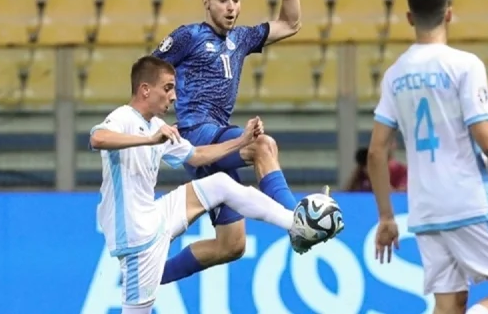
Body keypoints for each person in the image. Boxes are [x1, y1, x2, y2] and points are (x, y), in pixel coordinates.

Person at [152, 0, 333, 285]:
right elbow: (148, 71)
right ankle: (298, 221)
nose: (230, 6)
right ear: (206, 2)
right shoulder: (189, 36)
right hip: (198, 134)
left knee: (231, 245)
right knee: (262, 145)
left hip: (218, 140)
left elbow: (291, 23)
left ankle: (151, 277)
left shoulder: (242, 38)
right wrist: (159, 116)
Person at [90, 56, 321, 314]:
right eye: (167, 88)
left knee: (220, 184)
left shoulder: (157, 126)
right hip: (135, 240)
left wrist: (243, 141)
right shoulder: (124, 117)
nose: (174, 96)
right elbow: (98, 138)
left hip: (155, 216)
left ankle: (297, 224)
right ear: (145, 90)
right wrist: (149, 140)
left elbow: (198, 155)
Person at [367, 0, 488, 314]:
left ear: (409, 17)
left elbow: (376, 152)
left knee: (448, 305)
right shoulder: (465, 65)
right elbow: (485, 138)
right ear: (449, 14)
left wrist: (386, 216)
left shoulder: (395, 75)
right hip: (466, 200)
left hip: (425, 207)